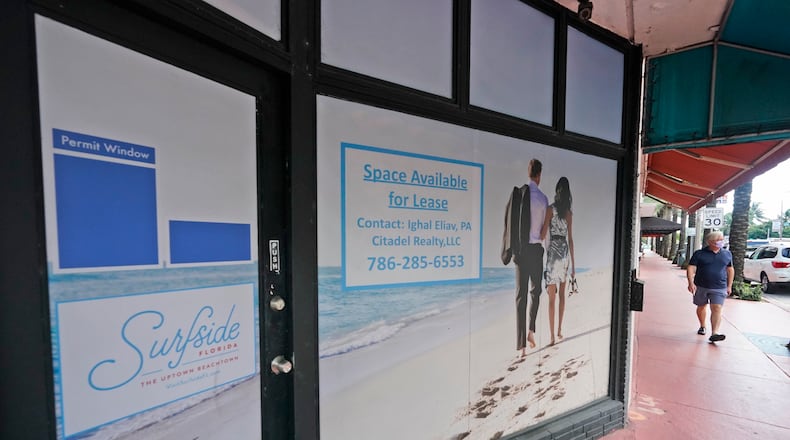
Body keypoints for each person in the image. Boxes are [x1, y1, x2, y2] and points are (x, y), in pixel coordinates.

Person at [501, 159, 549, 357]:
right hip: (536, 251)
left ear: (529, 173)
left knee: (520, 297)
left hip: (520, 252)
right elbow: (544, 233)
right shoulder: (544, 199)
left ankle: (521, 347)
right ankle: (531, 330)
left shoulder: (519, 195)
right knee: (535, 292)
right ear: (539, 175)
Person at [540, 177, 575, 346]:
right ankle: (560, 329)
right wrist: (573, 267)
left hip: (553, 254)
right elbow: (571, 240)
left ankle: (552, 336)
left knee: (551, 298)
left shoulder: (549, 210)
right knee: (562, 295)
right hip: (564, 253)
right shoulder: (568, 214)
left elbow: (542, 234)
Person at [686, 230, 733, 343]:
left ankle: (714, 333)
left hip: (719, 286)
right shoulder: (699, 253)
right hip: (701, 285)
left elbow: (730, 269)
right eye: (718, 240)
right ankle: (702, 325)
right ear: (710, 242)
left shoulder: (727, 254)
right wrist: (690, 283)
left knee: (716, 308)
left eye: (721, 239)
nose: (720, 242)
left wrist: (729, 285)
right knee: (701, 306)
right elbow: (691, 268)